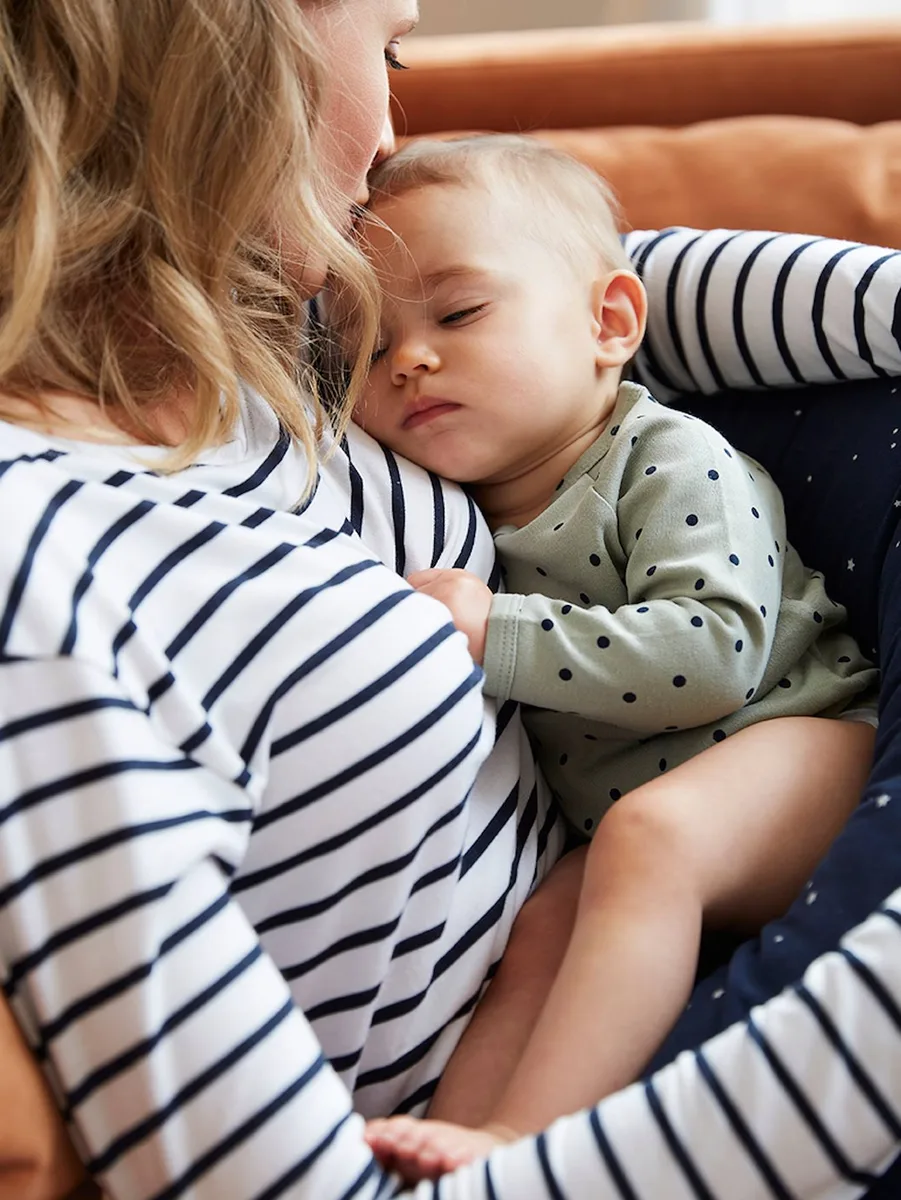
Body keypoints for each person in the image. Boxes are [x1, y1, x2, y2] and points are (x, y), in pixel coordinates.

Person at [1, 3, 901, 1199]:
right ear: (224, 49)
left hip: (729, 817)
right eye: (384, 49)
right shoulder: (44, 568)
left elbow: (612, 288)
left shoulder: (261, 326)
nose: (390, 126)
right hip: (698, 1086)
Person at [333, 133, 878, 1177]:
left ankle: (527, 1144)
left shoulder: (667, 458)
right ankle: (445, 1145)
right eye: (362, 344)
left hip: (802, 744)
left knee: (647, 839)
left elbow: (713, 655)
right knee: (541, 929)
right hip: (651, 824)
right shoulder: (448, 517)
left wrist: (495, 633)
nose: (407, 359)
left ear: (607, 322)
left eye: (457, 313)